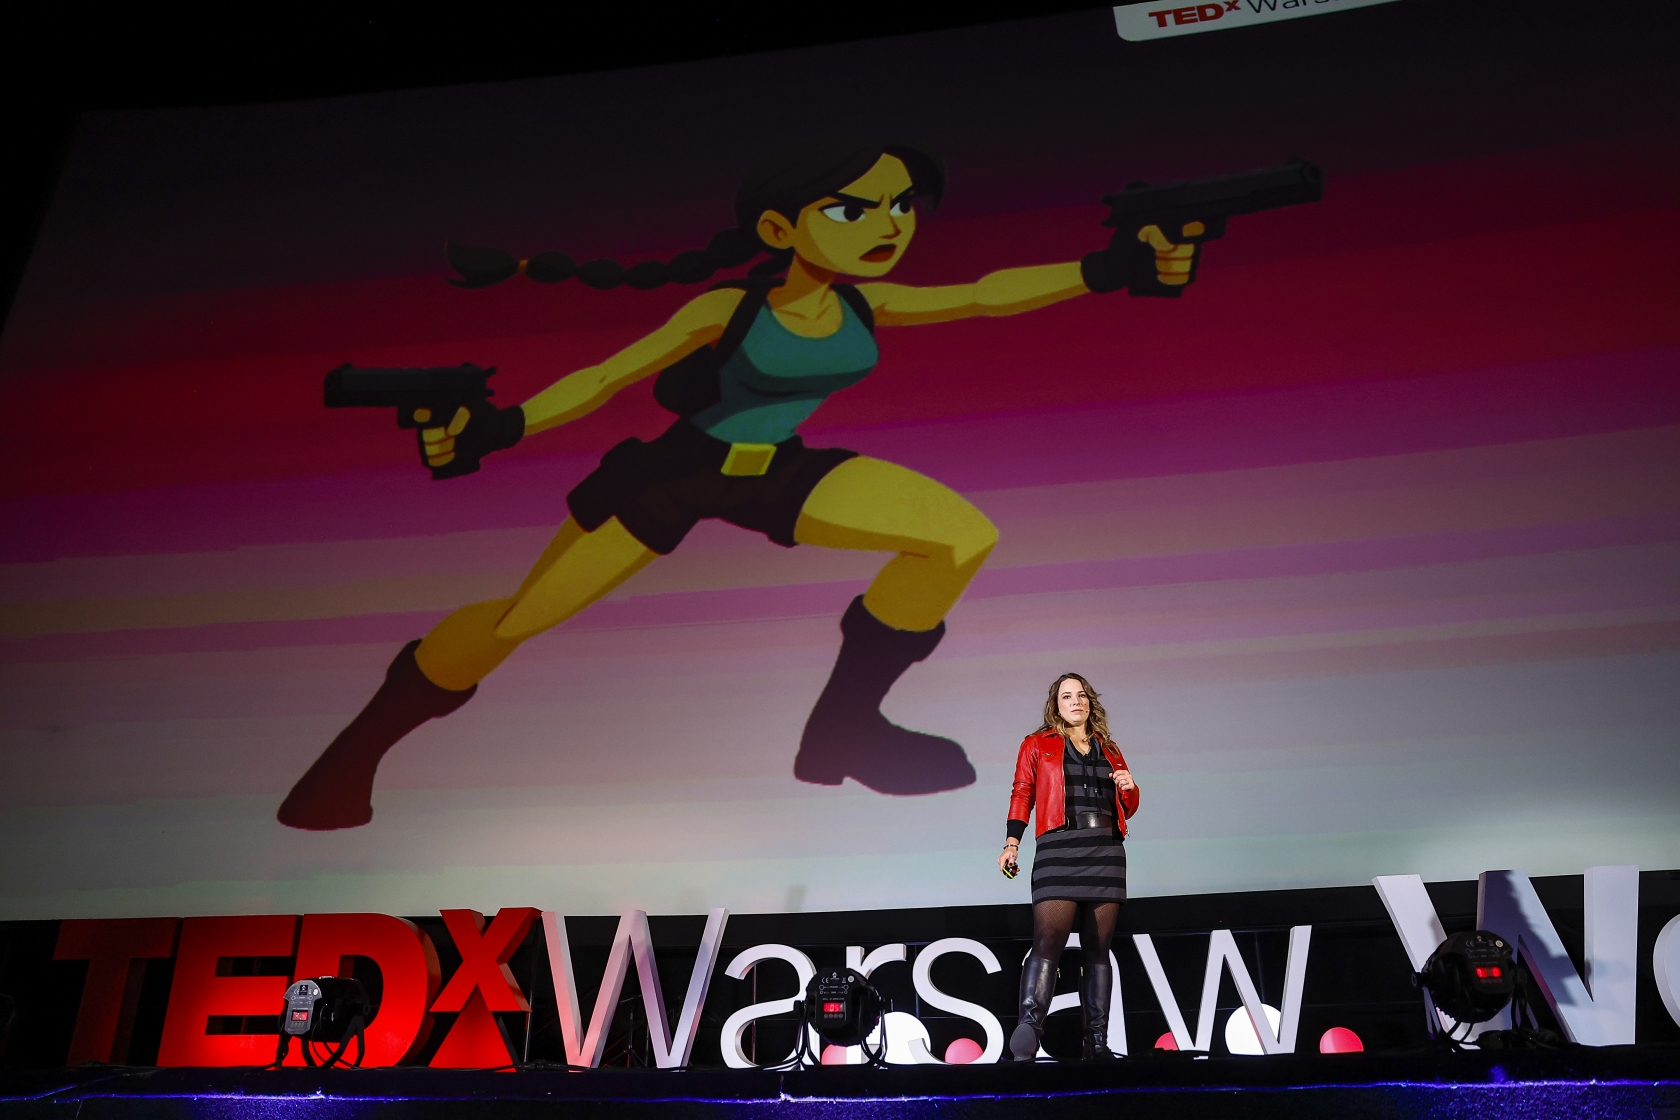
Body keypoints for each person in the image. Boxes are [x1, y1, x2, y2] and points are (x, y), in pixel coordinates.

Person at [278, 137, 1196, 830]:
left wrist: (1114, 266)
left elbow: (987, 292)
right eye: (855, 210)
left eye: (902, 205)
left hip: (775, 470)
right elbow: (603, 378)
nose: (890, 225)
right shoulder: (730, 308)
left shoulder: (866, 302)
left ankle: (842, 731)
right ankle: (350, 757)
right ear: (779, 229)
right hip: (675, 476)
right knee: (520, 619)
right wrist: (499, 427)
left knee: (958, 537)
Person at [1000, 673, 1139, 1060]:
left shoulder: (1110, 748)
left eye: (1081, 695)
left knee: (1098, 949)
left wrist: (1130, 789)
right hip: (1058, 847)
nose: (1075, 701)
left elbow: (1128, 806)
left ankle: (1097, 1042)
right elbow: (1023, 792)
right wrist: (1012, 842)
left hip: (1105, 850)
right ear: (1056, 705)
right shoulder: (1037, 744)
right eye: (1067, 696)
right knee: (1048, 941)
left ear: (1090, 702)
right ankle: (1029, 1027)